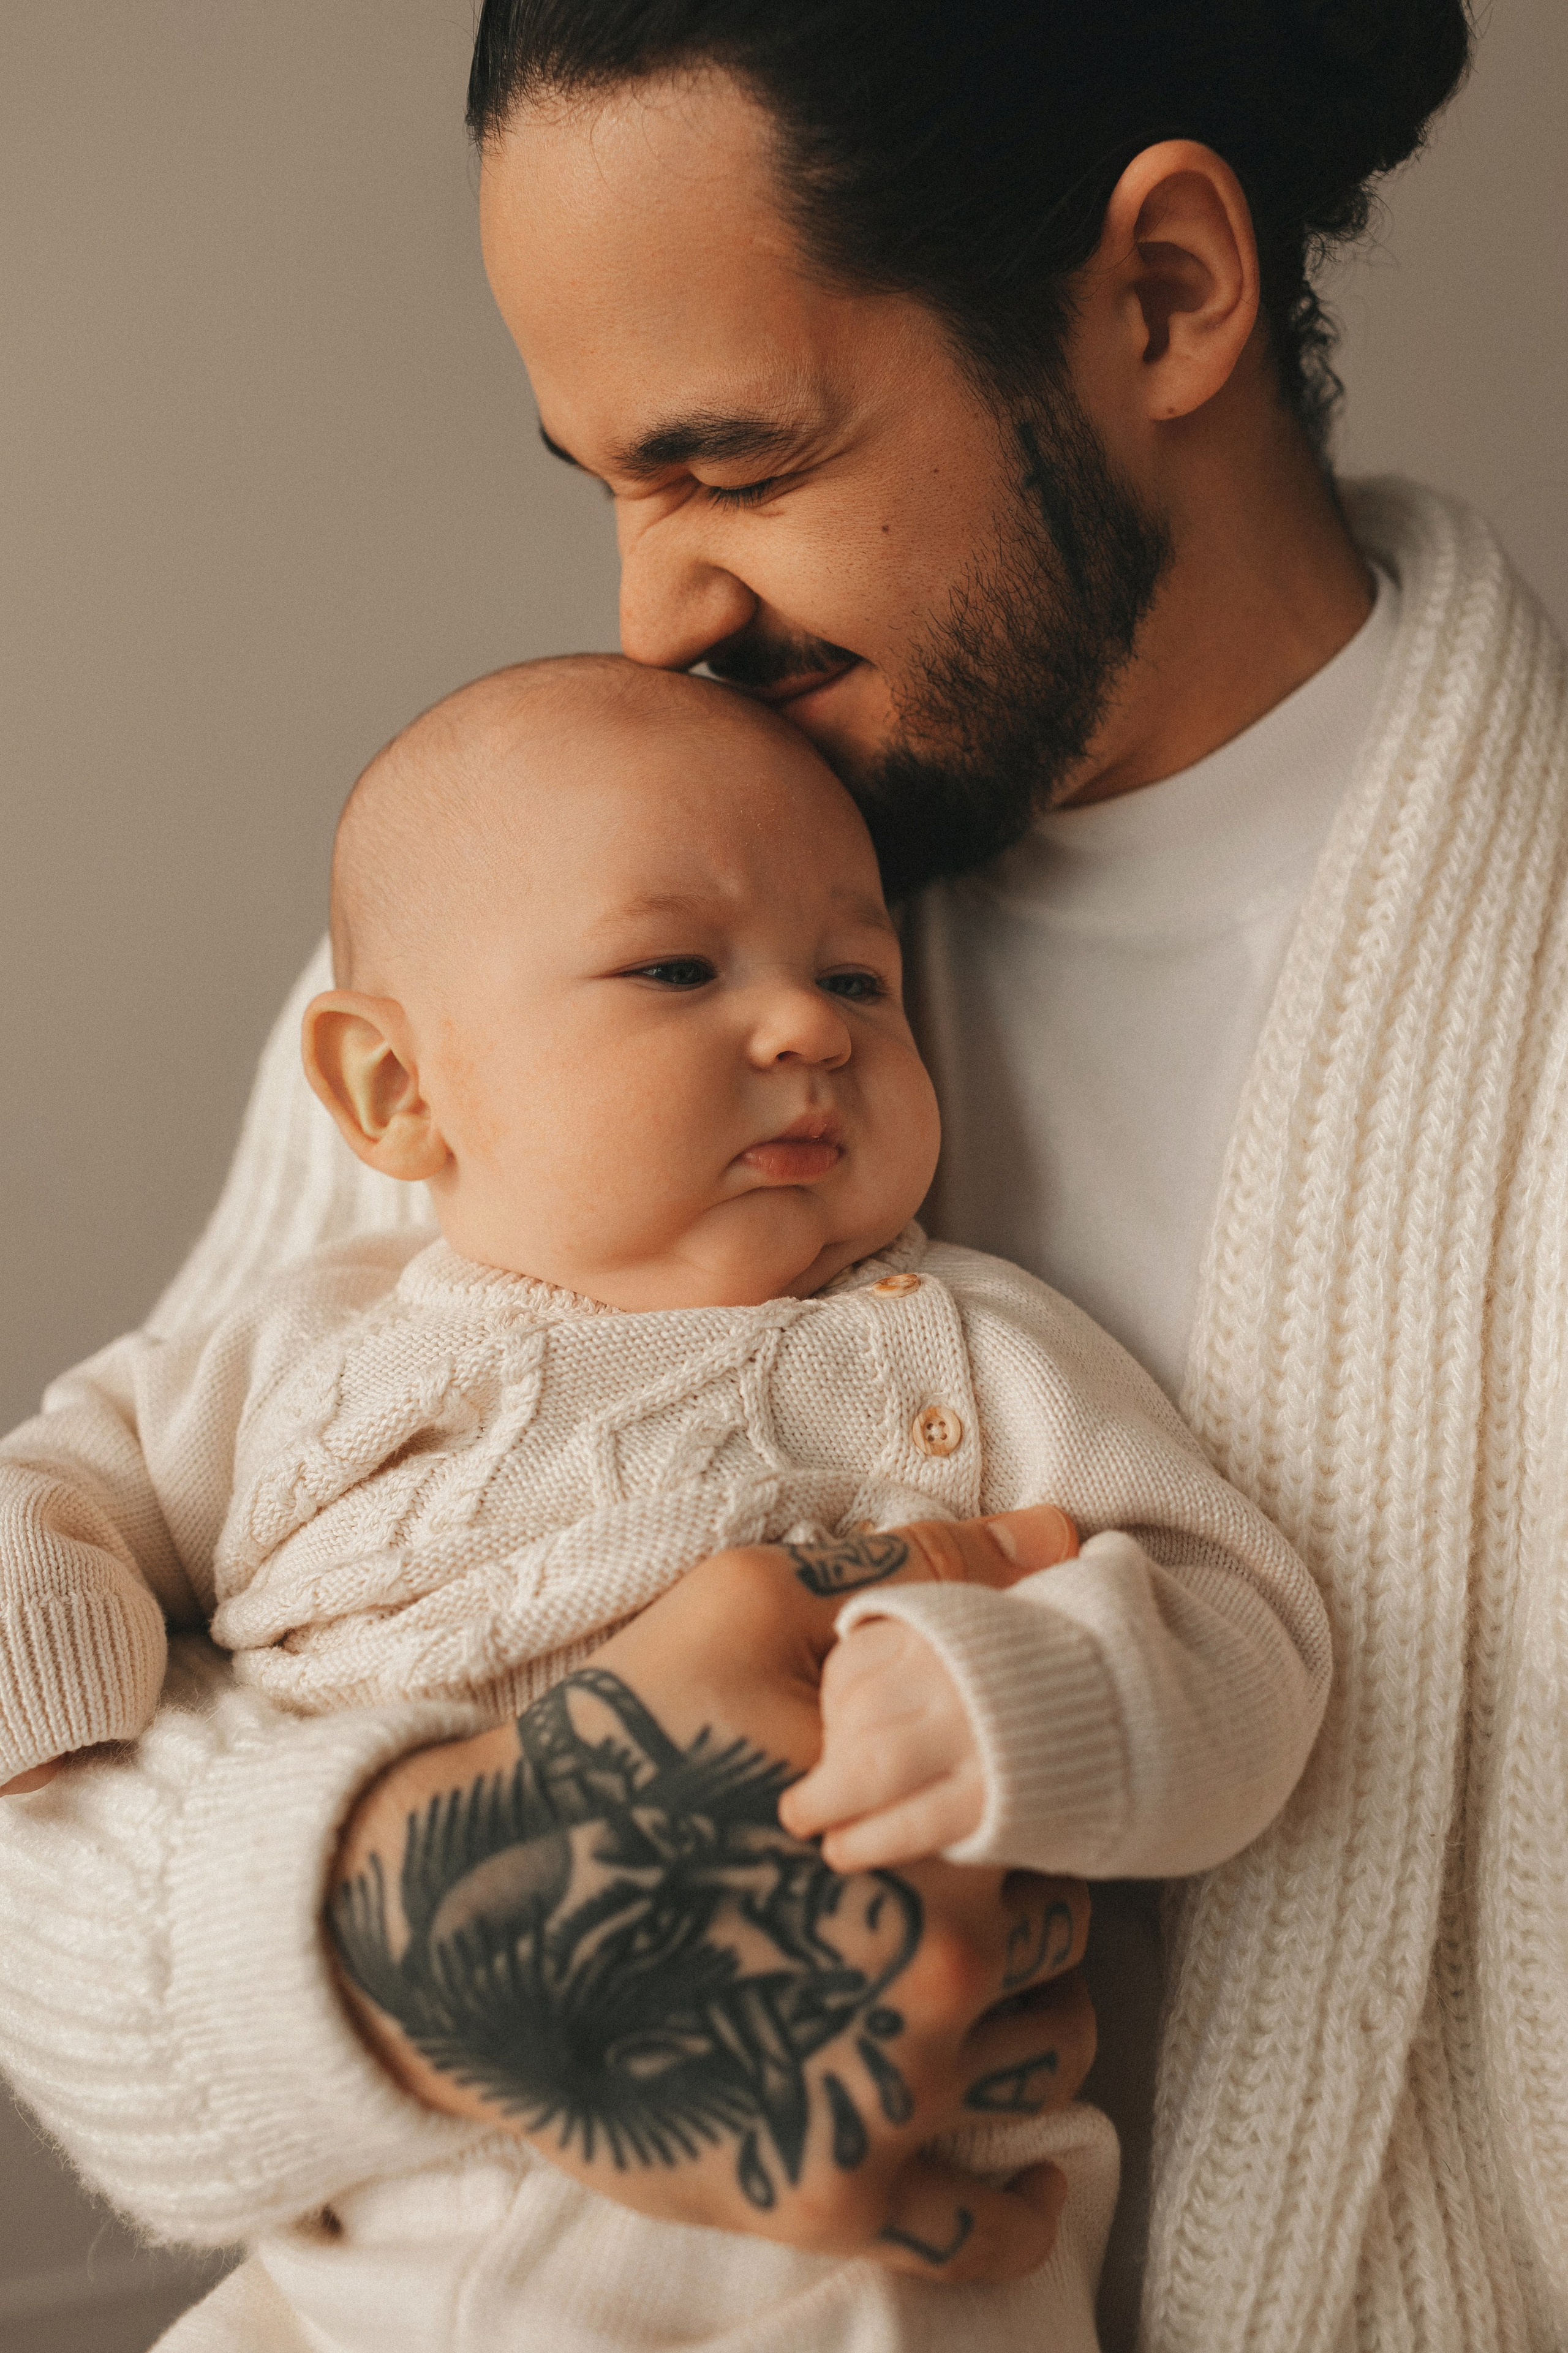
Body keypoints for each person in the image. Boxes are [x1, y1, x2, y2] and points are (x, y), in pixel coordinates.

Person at [4, 2, 1566, 2347]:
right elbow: (52, 1782)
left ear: (1162, 295)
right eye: (610, 487)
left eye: (736, 466)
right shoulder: (553, 949)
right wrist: (449, 1931)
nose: (656, 617)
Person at [0, 654, 1325, 2349]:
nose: (808, 1027)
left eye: (863, 974)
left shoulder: (956, 1343)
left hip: (838, 2260)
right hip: (357, 2258)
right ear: (399, 1091)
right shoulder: (301, 1339)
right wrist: (45, 1644)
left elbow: (1245, 1624)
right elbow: (70, 1479)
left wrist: (1018, 1696)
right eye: (678, 967)